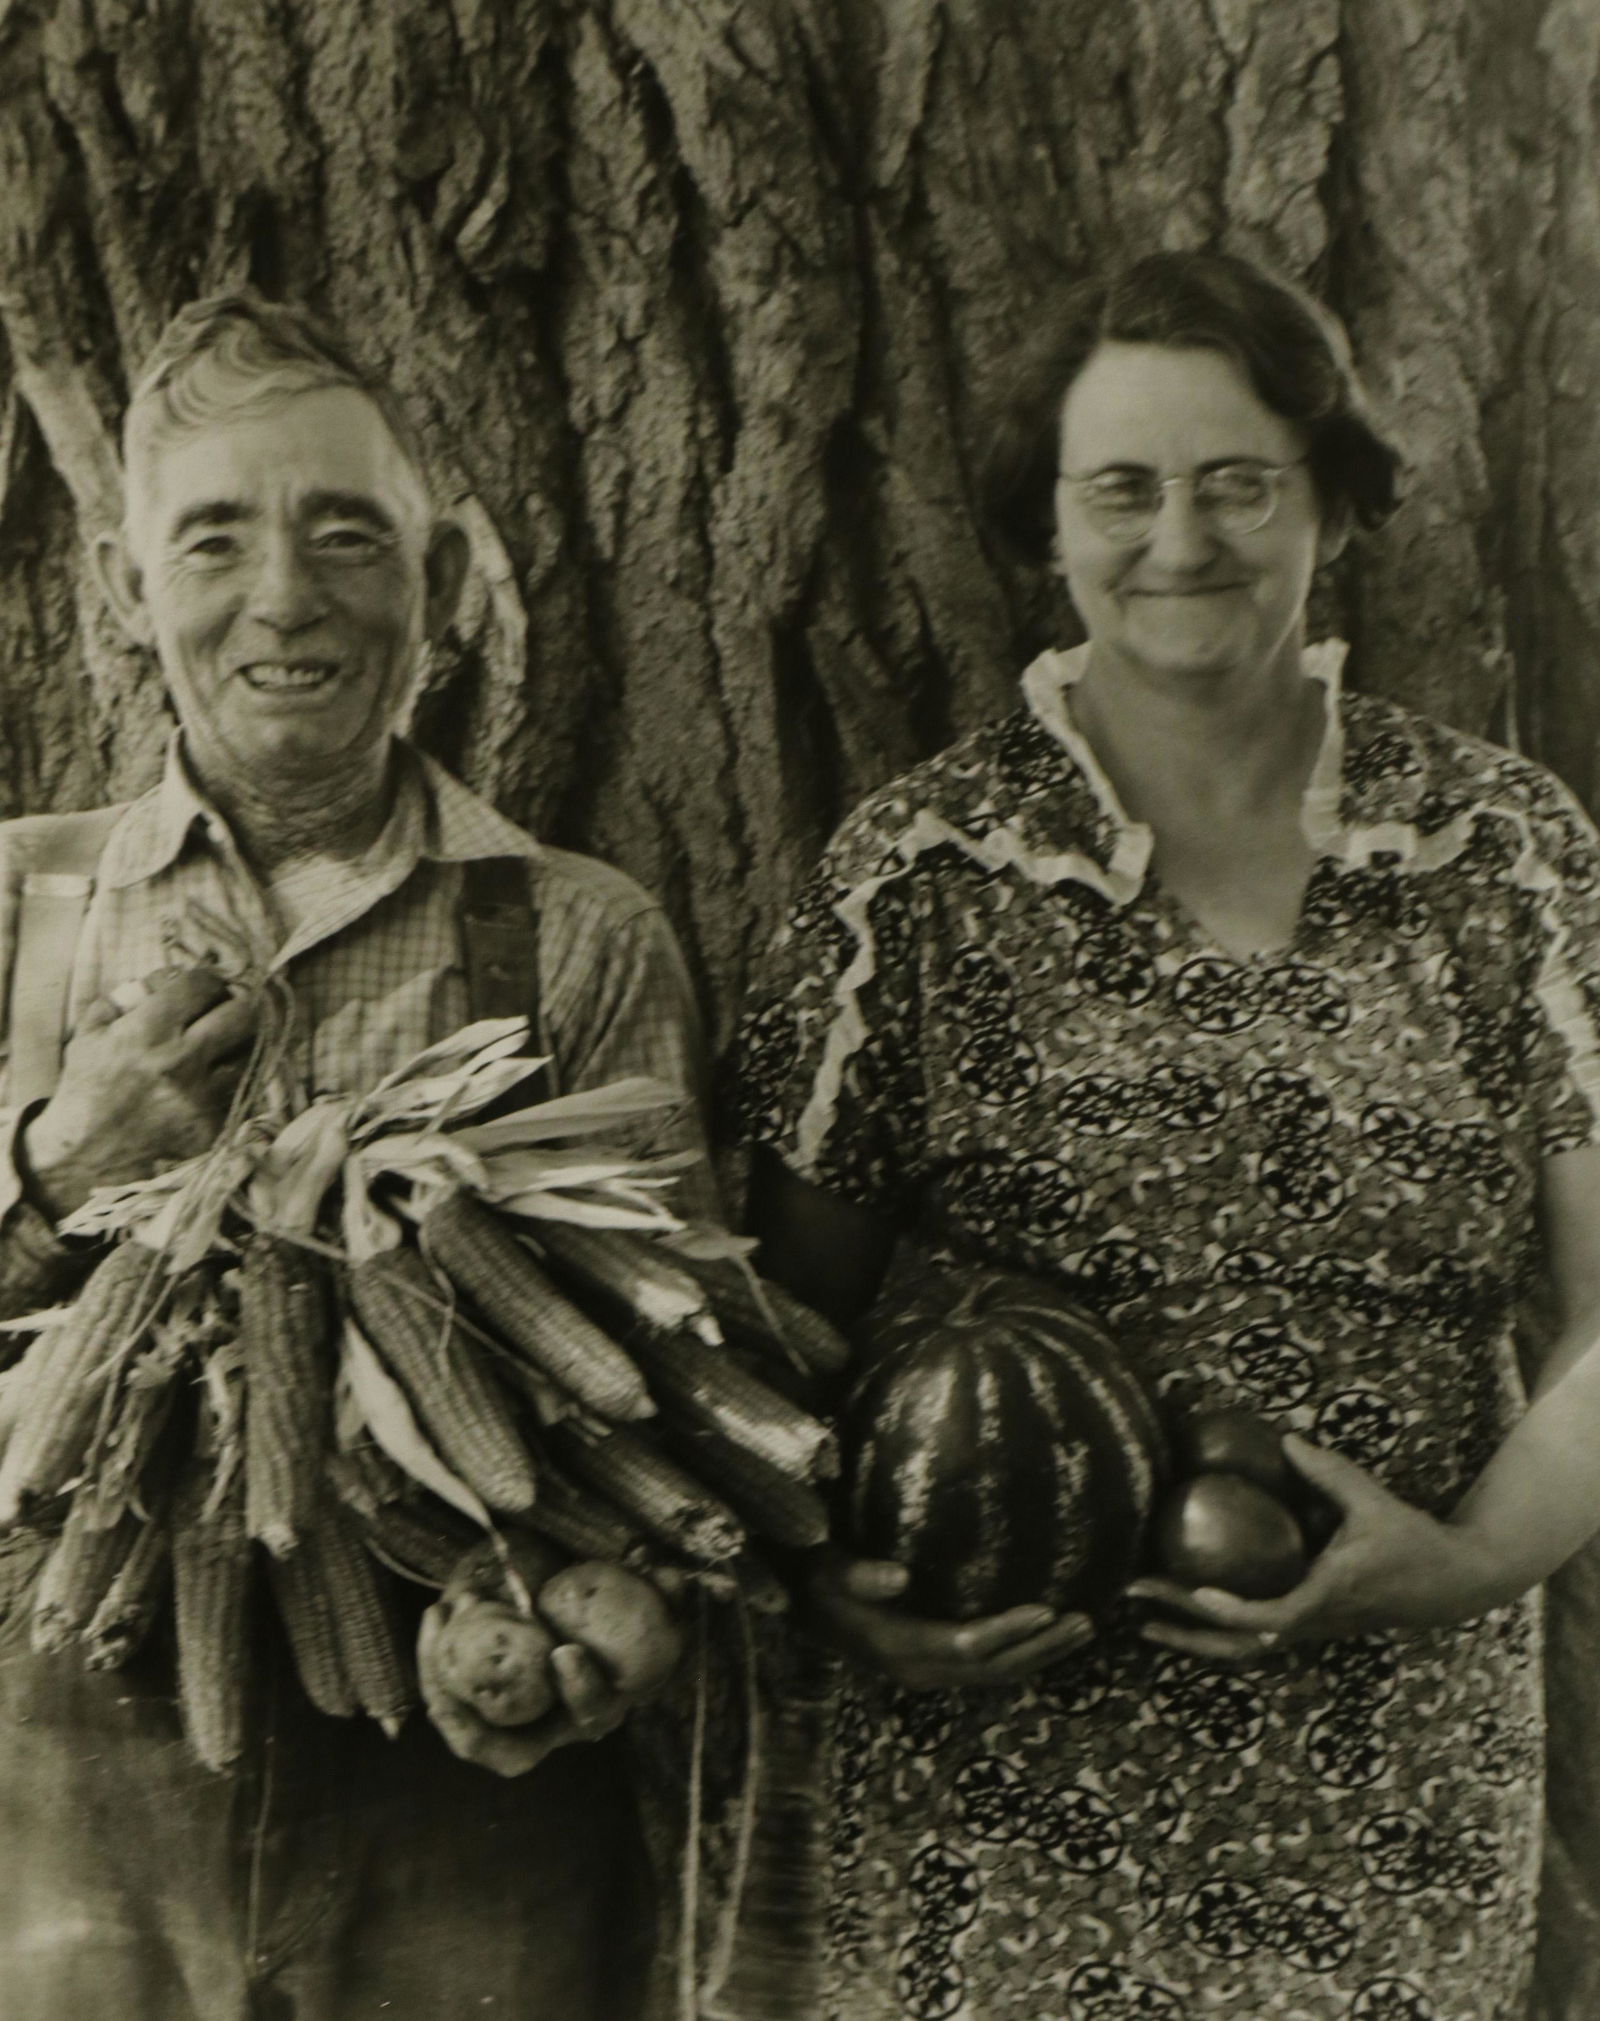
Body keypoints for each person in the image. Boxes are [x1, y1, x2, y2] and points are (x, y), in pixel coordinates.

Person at [731, 249, 1600, 2019]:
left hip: (1400, 1771)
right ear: (1046, 530)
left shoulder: (1510, 852)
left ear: (1332, 507)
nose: (1179, 539)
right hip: (1003, 1781)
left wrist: (1468, 1557)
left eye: (1238, 483)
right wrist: (834, 1586)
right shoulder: (918, 876)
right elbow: (775, 1338)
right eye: (1120, 488)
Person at [0, 292, 711, 2020]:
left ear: (443, 580)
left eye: (347, 532)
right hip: (64, 1782)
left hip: (469, 1780)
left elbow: (681, 1381)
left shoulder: (579, 937)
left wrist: (604, 1621)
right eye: (215, 537)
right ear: (121, 586)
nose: (286, 595)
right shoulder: (21, 909)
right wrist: (55, 1170)